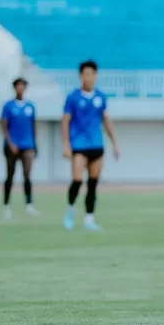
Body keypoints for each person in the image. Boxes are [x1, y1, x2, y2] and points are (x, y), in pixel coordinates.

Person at [62, 60, 120, 231]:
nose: (89, 77)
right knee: (77, 180)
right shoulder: (73, 97)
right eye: (85, 74)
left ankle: (89, 218)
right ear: (80, 76)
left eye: (92, 74)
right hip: (79, 145)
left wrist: (114, 143)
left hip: (97, 145)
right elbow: (65, 121)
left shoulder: (100, 97)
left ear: (96, 76)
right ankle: (70, 209)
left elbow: (106, 120)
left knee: (93, 183)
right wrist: (66, 144)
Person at [2, 77, 38, 219]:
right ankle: (6, 206)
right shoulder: (8, 106)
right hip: (12, 146)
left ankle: (29, 205)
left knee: (27, 175)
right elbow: (4, 126)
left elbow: (33, 125)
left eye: (23, 86)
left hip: (27, 145)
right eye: (18, 86)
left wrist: (35, 144)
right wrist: (10, 143)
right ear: (14, 88)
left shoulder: (30, 106)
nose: (20, 88)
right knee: (10, 176)